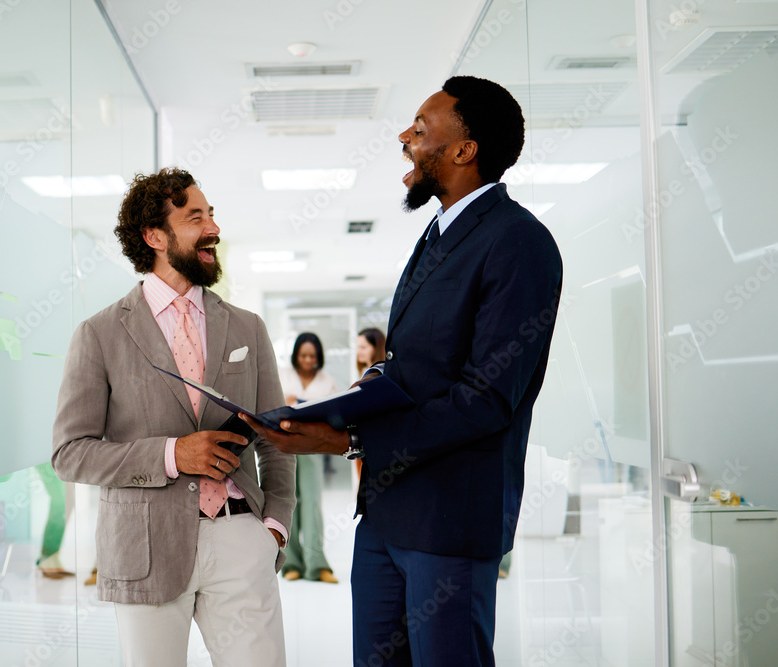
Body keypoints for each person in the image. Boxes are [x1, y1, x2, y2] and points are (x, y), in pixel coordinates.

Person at [241, 76, 563, 667]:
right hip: (387, 514)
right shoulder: (435, 235)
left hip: (450, 523)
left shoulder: (519, 242)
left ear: (465, 150)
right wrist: (360, 394)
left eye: (420, 129)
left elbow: (487, 398)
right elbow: (420, 368)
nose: (403, 138)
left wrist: (353, 436)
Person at [51, 168, 295, 667]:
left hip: (240, 534)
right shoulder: (99, 334)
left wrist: (274, 526)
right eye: (195, 217)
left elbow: (275, 434)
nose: (213, 228)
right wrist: (172, 454)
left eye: (212, 215)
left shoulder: (247, 326)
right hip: (145, 547)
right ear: (154, 236)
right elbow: (69, 454)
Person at [278, 332, 339, 584]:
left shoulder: (327, 381)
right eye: (303, 355)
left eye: (312, 356)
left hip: (313, 449)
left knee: (312, 503)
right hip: (284, 447)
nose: (307, 360)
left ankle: (317, 564)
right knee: (289, 503)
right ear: (296, 356)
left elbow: (333, 413)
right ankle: (291, 563)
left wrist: (300, 402)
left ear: (319, 357)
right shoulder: (284, 375)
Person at [353, 328, 387, 482]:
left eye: (364, 347)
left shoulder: (381, 375)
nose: (359, 351)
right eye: (358, 347)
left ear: (376, 348)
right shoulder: (363, 372)